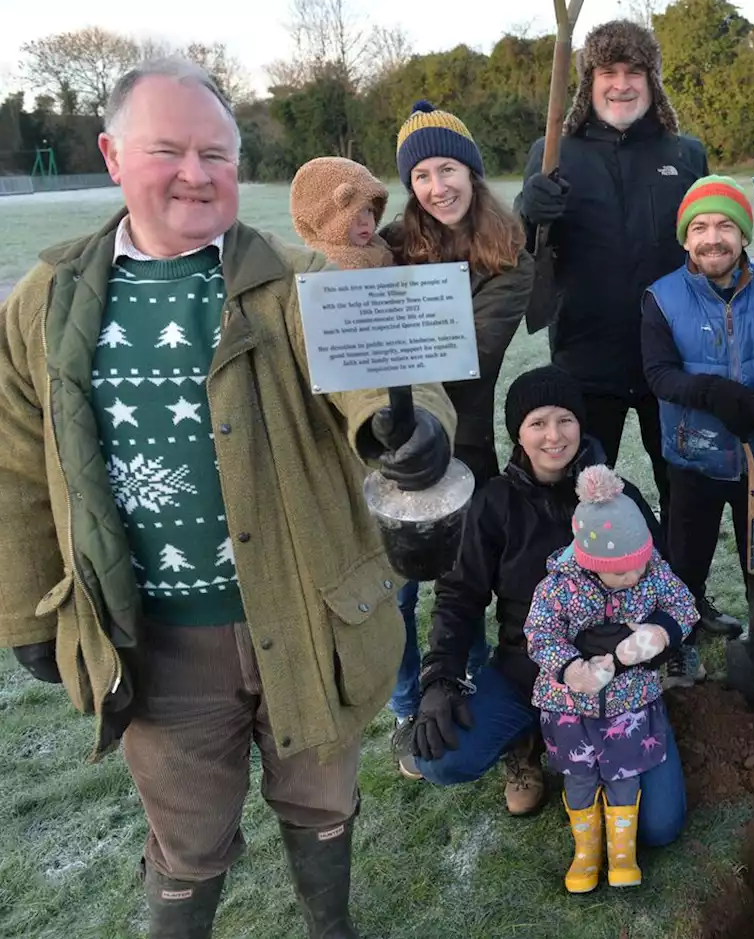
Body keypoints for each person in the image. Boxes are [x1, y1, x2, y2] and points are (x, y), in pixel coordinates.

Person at [0, 58, 456, 938]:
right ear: (111, 155)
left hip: (310, 609)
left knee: (320, 794)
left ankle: (333, 924)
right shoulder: (44, 303)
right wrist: (24, 612)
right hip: (159, 643)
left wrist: (411, 432)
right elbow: (16, 469)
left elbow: (392, 384)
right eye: (167, 149)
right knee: (188, 832)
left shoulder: (299, 278)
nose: (196, 172)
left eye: (216, 152)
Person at [394, 364, 690, 844]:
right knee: (442, 760)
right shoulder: (494, 503)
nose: (554, 436)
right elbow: (459, 596)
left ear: (582, 423)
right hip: (526, 675)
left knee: (658, 828)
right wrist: (439, 679)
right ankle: (528, 743)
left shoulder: (620, 498)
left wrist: (641, 640)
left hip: (616, 683)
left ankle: (608, 749)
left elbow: (672, 591)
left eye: (565, 420)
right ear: (518, 433)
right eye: (538, 423)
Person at [515, 21, 743, 639]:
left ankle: (682, 604)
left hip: (672, 355)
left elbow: (710, 243)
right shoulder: (553, 154)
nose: (620, 86)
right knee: (587, 489)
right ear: (589, 82)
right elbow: (528, 252)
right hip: (588, 354)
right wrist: (528, 211)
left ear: (651, 81)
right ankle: (580, 612)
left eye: (632, 74)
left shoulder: (683, 153)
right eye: (608, 74)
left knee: (685, 489)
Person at [380, 100, 535, 759]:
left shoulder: (508, 254)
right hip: (387, 448)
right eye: (422, 176)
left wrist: (386, 352)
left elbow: (473, 352)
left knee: (463, 583)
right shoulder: (385, 247)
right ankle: (405, 705)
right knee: (394, 591)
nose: (438, 186)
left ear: (472, 172)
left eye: (449, 168)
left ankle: (466, 687)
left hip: (463, 447)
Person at [641, 176, 754, 662]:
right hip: (693, 459)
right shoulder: (662, 298)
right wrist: (710, 390)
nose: (712, 237)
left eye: (725, 225)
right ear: (685, 239)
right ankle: (677, 644)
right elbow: (659, 375)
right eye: (699, 227)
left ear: (744, 235)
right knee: (686, 562)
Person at [524, 463, 698, 892]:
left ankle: (621, 854)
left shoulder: (651, 569)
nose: (634, 576)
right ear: (590, 561)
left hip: (630, 702)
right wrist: (570, 668)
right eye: (622, 571)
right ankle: (586, 852)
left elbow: (684, 606)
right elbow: (539, 633)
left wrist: (660, 633)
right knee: (580, 777)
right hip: (571, 706)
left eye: (639, 564)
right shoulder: (558, 587)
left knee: (625, 774)